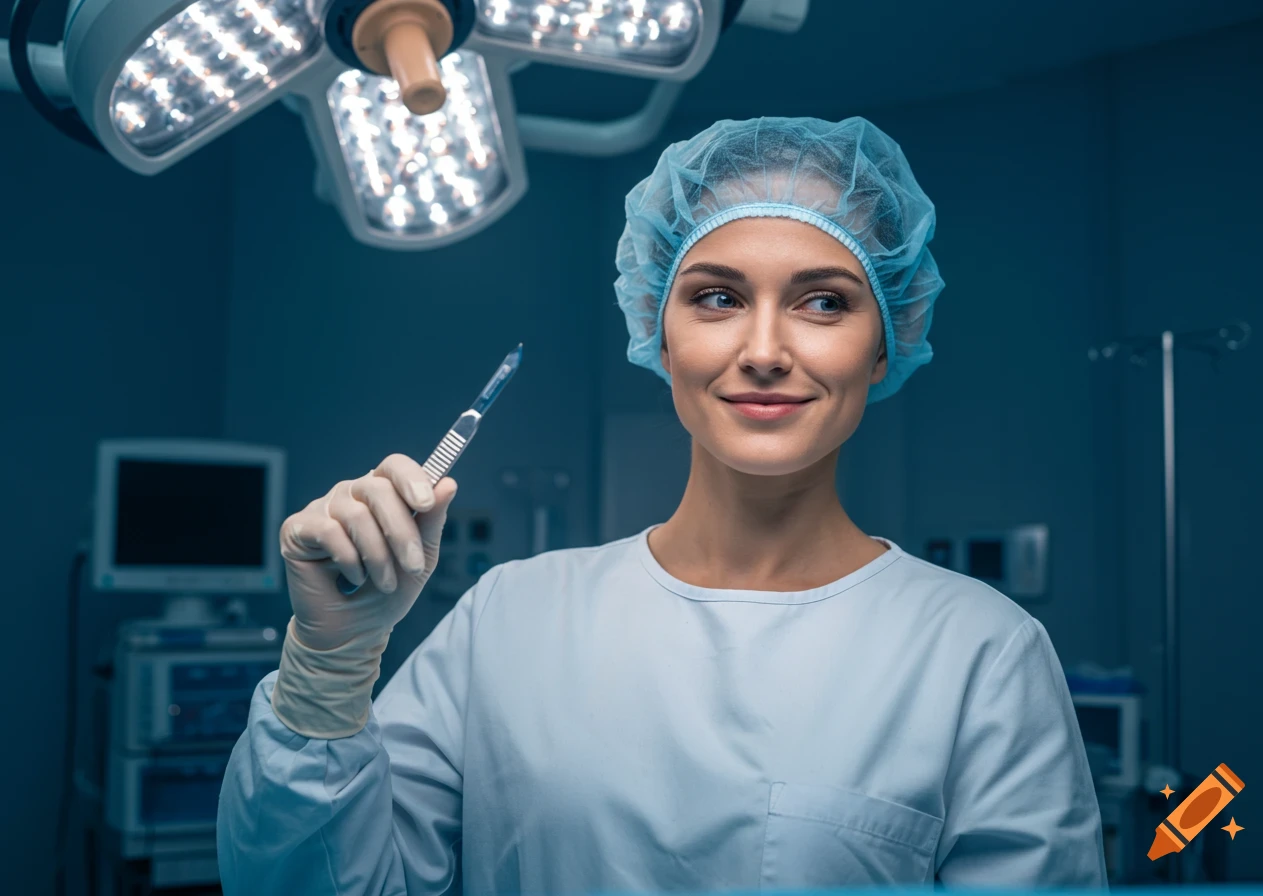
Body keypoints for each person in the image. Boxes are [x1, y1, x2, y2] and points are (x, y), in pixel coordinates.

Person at [217, 117, 1106, 893]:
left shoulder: (979, 655)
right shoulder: (511, 620)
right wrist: (326, 670)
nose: (763, 350)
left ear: (884, 347)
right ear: (659, 332)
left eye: (824, 303)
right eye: (717, 297)